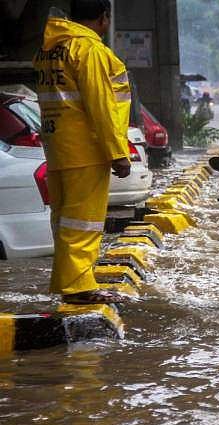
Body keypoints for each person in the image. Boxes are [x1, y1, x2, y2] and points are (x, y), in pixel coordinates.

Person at [33, 0, 133, 304]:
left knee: (65, 222)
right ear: (104, 18)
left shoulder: (49, 49)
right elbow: (101, 106)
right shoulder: (89, 50)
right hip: (86, 150)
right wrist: (117, 151)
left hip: (59, 148)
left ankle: (71, 284)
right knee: (83, 223)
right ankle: (78, 287)